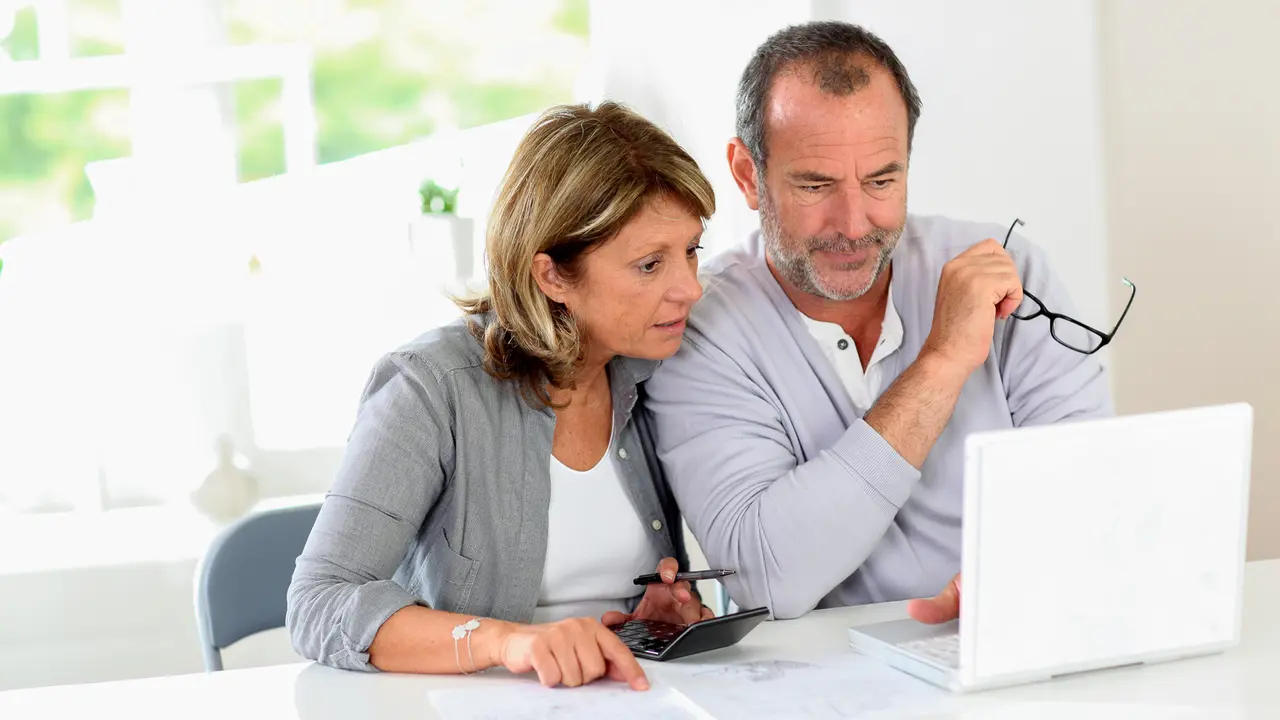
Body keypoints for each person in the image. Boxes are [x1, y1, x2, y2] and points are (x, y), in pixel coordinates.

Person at [644, 21, 1121, 622]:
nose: (853, 223)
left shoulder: (1004, 267)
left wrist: (1015, 585)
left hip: (1025, 637)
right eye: (816, 184)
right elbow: (768, 578)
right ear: (748, 175)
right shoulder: (699, 326)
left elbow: (1097, 490)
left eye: (882, 180)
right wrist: (942, 363)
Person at [287, 101, 716, 690]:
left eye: (691, 250)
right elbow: (318, 603)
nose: (689, 288)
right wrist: (507, 641)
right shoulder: (430, 387)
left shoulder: (658, 373)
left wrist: (651, 625)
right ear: (553, 276)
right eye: (649, 265)